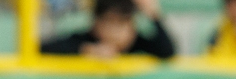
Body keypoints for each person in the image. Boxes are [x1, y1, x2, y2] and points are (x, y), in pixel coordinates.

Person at [42, 0, 174, 59]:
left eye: (123, 23)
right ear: (96, 22)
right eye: (111, 22)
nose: (116, 32)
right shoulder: (85, 41)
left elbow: (167, 51)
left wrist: (154, 16)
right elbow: (43, 48)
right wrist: (85, 50)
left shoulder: (137, 45)